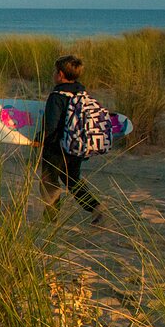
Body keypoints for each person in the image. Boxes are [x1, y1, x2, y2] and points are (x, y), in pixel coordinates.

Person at [35, 53, 104, 224]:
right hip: (76, 145)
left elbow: (51, 125)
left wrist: (40, 139)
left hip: (56, 147)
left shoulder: (57, 96)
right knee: (72, 179)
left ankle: (50, 218)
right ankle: (96, 208)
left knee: (48, 180)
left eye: (55, 72)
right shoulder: (82, 93)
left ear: (60, 74)